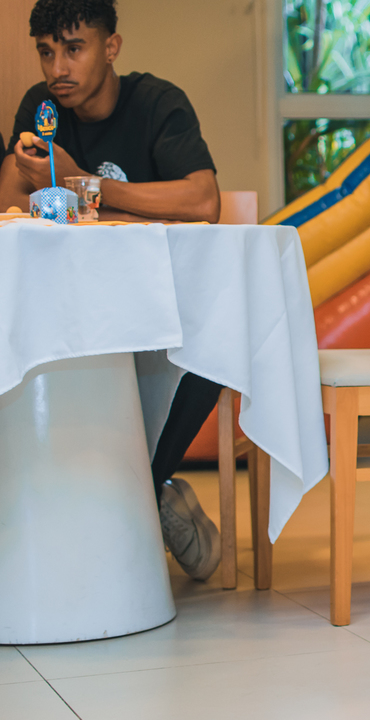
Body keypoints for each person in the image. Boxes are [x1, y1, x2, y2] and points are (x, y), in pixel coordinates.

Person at [1, 0, 224, 580]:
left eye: (73, 49)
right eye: (47, 52)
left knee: (214, 344)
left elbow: (203, 200)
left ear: (112, 48)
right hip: (67, 306)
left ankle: (136, 493)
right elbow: (8, 206)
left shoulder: (157, 102)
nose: (58, 68)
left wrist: (82, 180)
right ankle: (148, 501)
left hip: (154, 306)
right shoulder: (41, 108)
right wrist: (26, 171)